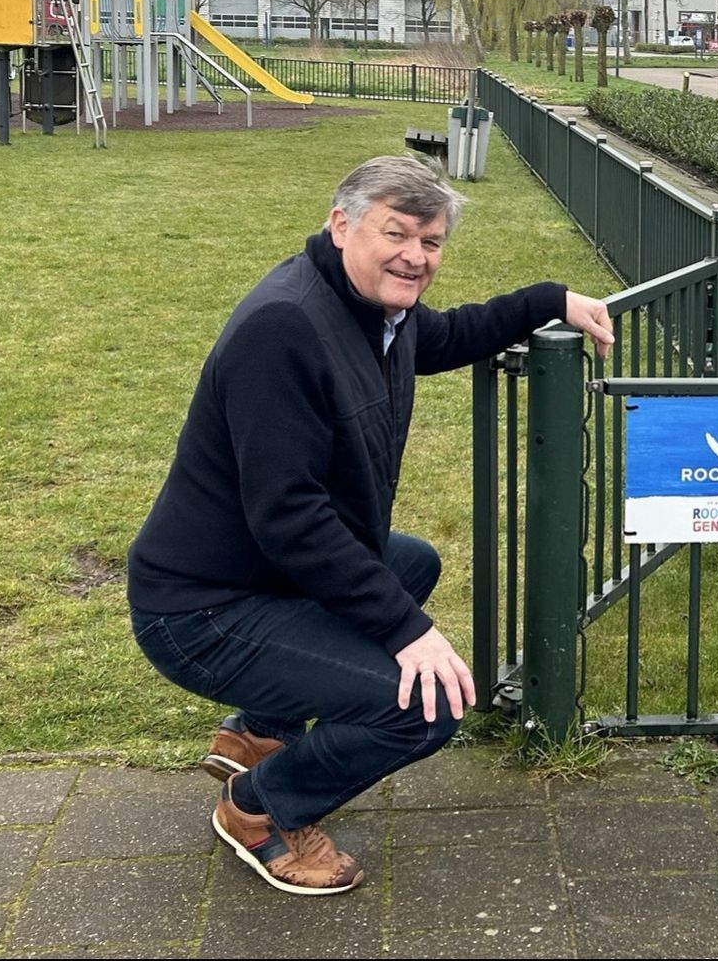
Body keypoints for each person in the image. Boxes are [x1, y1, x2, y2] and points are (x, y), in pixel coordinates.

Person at [128, 155, 614, 894]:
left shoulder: (375, 312)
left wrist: (550, 298)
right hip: (200, 608)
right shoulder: (285, 327)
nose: (415, 257)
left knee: (409, 562)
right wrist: (406, 632)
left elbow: (445, 337)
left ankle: (260, 734)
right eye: (398, 233)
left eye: (432, 241)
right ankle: (259, 809)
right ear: (341, 225)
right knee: (424, 707)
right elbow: (288, 517)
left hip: (263, 574)